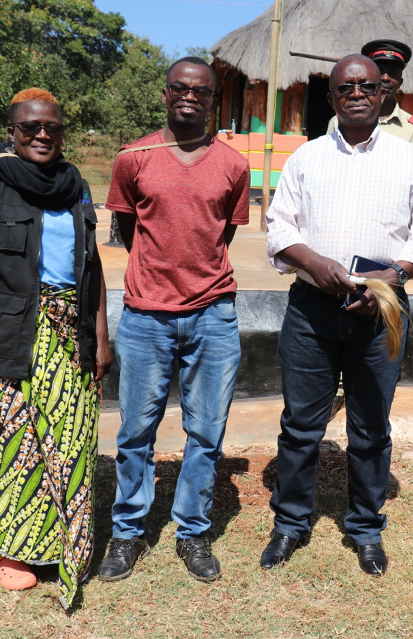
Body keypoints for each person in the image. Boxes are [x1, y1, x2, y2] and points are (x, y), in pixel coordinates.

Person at [262, 54, 413, 576]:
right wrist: (313, 261)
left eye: (368, 85)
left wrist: (388, 280)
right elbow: (279, 230)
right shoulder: (306, 158)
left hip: (380, 308)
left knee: (370, 427)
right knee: (301, 425)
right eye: (347, 87)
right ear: (333, 97)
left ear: (383, 94)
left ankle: (365, 528)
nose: (358, 93)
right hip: (311, 311)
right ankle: (291, 524)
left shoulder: (410, 162)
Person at [0, 87, 111, 610]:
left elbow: (94, 269)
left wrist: (102, 336)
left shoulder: (76, 186)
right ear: (12, 131)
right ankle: (12, 551)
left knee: (72, 435)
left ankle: (62, 540)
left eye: (53, 128)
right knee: (11, 440)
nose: (42, 135)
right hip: (8, 332)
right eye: (30, 128)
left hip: (71, 334)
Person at [98, 56, 250, 583]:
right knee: (136, 431)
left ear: (213, 101)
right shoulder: (133, 157)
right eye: (180, 89)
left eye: (202, 92)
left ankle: (192, 531)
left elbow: (220, 234)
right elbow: (126, 224)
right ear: (164, 95)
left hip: (214, 313)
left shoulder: (233, 165)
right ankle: (127, 533)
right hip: (145, 317)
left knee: (205, 432)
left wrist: (195, 278)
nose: (190, 97)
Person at [326, 39, 413, 156]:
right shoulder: (338, 122)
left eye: (393, 73)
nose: (385, 78)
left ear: (400, 82)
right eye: (380, 71)